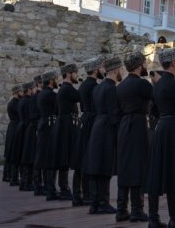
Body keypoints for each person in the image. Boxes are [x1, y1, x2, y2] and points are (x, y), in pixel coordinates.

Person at [146, 48, 175, 228]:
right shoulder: (174, 85)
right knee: (174, 170)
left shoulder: (157, 85)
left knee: (156, 170)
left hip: (160, 128)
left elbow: (154, 110)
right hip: (172, 128)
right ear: (173, 63)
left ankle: (153, 219)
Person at [115, 52, 152, 223]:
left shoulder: (120, 86)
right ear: (138, 66)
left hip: (123, 126)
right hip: (137, 125)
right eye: (144, 63)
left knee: (124, 166)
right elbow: (155, 99)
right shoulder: (142, 85)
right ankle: (137, 209)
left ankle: (121, 209)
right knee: (138, 165)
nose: (145, 66)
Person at [84, 56, 122, 215]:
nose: (121, 71)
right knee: (105, 166)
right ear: (114, 70)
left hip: (97, 126)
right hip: (107, 128)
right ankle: (103, 203)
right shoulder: (112, 88)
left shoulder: (98, 87)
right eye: (119, 69)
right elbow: (114, 113)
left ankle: (95, 203)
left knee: (96, 166)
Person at [51, 63, 80, 202]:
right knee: (64, 156)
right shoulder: (67, 89)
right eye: (75, 73)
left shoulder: (64, 89)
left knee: (63, 156)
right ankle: (64, 188)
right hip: (66, 125)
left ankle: (62, 187)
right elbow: (80, 96)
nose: (77, 75)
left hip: (64, 124)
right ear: (69, 74)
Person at [75, 57, 102, 207]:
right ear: (96, 70)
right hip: (92, 120)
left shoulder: (84, 85)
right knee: (88, 157)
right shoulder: (93, 86)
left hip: (85, 119)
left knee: (82, 157)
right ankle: (88, 194)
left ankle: (80, 193)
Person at [35, 70, 59, 201]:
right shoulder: (50, 95)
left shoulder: (40, 94)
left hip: (43, 125)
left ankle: (44, 187)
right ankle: (50, 189)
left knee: (44, 157)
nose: (57, 81)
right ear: (51, 80)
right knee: (50, 158)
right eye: (55, 79)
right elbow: (57, 110)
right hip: (50, 127)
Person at [3, 85, 22, 186]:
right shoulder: (14, 103)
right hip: (15, 127)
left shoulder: (14, 103)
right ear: (16, 92)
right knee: (12, 151)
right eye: (20, 92)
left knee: (11, 151)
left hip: (13, 127)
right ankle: (9, 175)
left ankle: (7, 175)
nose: (22, 93)